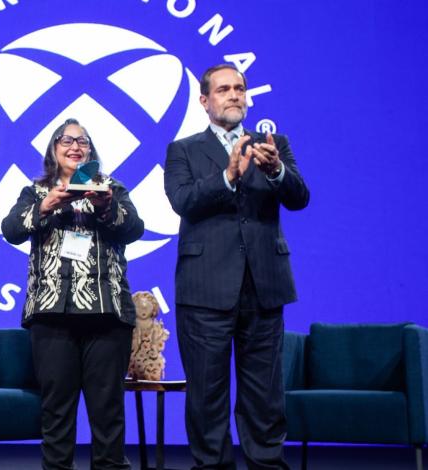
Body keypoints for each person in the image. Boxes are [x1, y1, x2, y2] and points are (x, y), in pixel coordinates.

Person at [164, 64, 310, 470]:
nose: (234, 95)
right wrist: (228, 176)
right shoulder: (184, 150)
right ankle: (212, 465)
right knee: (207, 394)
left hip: (264, 285)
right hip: (205, 288)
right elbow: (183, 201)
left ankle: (267, 463)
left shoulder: (273, 143)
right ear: (204, 100)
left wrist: (276, 171)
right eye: (224, 89)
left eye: (240, 88)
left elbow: (299, 198)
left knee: (264, 394)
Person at [1, 118, 144, 470]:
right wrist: (47, 205)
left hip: (106, 316)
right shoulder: (35, 192)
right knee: (56, 415)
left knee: (108, 415)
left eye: (83, 141)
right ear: (53, 149)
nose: (75, 146)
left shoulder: (111, 189)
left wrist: (104, 206)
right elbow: (11, 229)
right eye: (67, 140)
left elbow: (134, 228)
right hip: (52, 317)